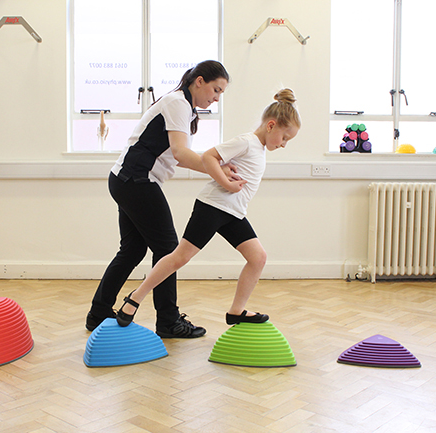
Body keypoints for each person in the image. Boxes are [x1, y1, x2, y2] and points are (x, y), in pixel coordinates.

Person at [115, 88, 301, 327]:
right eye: (285, 137)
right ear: (271, 125)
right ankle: (134, 298)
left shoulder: (259, 148)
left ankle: (236, 311)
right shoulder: (246, 141)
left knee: (258, 258)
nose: (284, 144)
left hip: (233, 213)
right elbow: (209, 157)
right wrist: (226, 183)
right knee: (179, 257)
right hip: (212, 207)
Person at [86, 60, 238, 338]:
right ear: (200, 81)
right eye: (215, 90)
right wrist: (219, 170)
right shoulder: (178, 103)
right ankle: (168, 321)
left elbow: (176, 157)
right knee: (169, 249)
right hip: (135, 181)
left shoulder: (184, 108)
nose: (216, 99)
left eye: (221, 94)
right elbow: (180, 153)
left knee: (132, 250)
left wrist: (216, 168)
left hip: (126, 180)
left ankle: (98, 314)